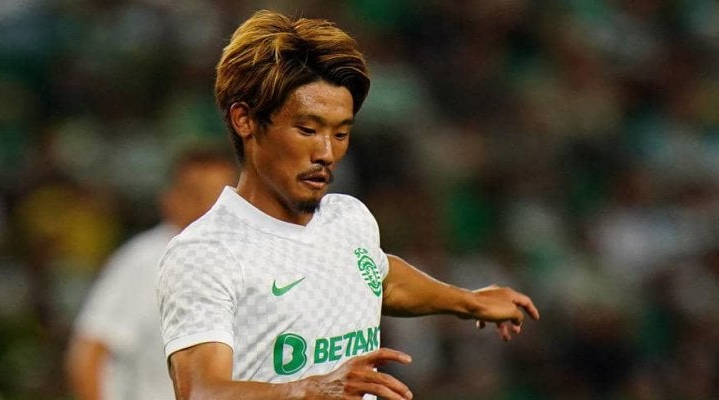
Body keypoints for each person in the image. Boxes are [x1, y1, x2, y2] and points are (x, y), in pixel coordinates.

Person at [157, 10, 540, 400]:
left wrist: (467, 301)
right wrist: (313, 390)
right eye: (307, 129)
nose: (326, 152)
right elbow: (201, 391)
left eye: (340, 134)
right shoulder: (206, 252)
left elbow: (380, 277)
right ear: (245, 120)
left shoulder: (349, 217)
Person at [66, 149, 237, 400]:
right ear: (170, 198)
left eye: (221, 196)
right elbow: (90, 354)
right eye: (198, 195)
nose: (210, 206)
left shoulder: (241, 256)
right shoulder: (147, 260)